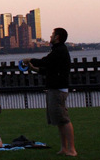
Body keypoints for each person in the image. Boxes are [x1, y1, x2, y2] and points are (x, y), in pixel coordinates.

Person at [23, 27, 77, 157]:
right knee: (59, 121)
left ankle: (72, 149)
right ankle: (64, 148)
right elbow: (47, 69)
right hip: (54, 89)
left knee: (64, 119)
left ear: (57, 37)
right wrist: (33, 68)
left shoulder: (60, 50)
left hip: (58, 90)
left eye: (53, 34)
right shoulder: (57, 51)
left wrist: (30, 59)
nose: (51, 36)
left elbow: (45, 62)